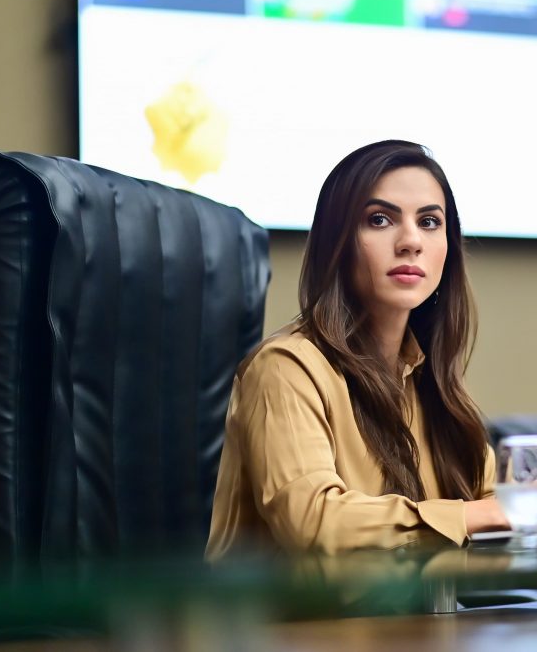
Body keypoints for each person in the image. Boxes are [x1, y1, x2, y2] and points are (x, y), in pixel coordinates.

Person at [206, 140, 509, 559]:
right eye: (380, 219)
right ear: (338, 241)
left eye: (429, 222)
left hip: (418, 623)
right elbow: (312, 523)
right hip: (286, 625)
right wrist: (474, 517)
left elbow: (500, 507)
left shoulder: (432, 383)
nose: (410, 242)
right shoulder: (284, 368)